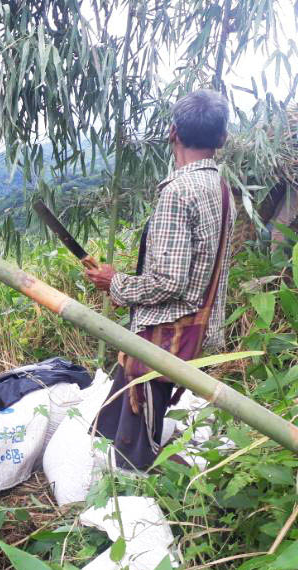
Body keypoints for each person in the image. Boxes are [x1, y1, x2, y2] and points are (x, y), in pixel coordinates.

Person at [85, 89, 235, 471]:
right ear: (221, 139)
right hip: (192, 331)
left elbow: (168, 281)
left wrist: (115, 283)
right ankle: (103, 476)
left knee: (132, 451)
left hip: (163, 338)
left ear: (172, 132)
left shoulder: (179, 191)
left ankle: (131, 506)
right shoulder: (220, 188)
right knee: (113, 420)